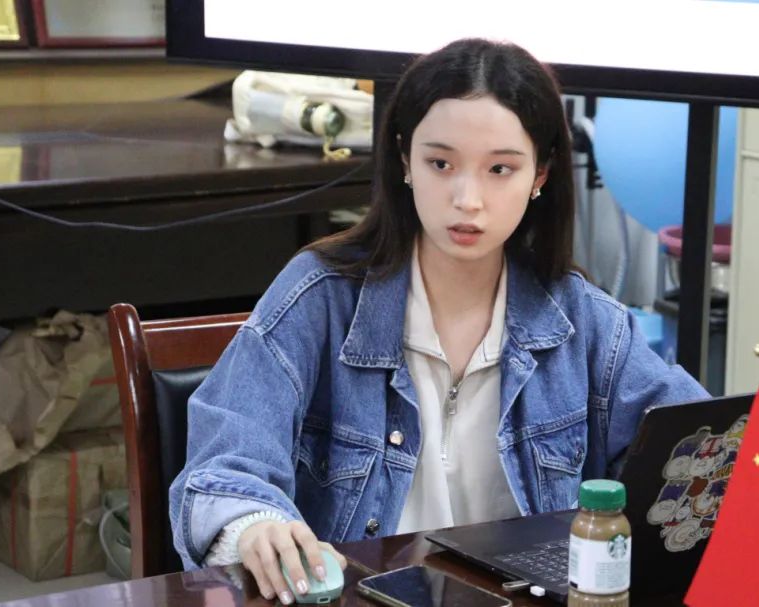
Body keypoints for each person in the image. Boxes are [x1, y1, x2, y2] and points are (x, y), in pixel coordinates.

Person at [169, 37, 708, 605]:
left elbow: (702, 450)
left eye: (500, 169)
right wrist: (255, 526)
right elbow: (224, 467)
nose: (467, 199)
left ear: (541, 174)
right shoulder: (319, 298)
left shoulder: (583, 319)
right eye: (441, 164)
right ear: (405, 159)